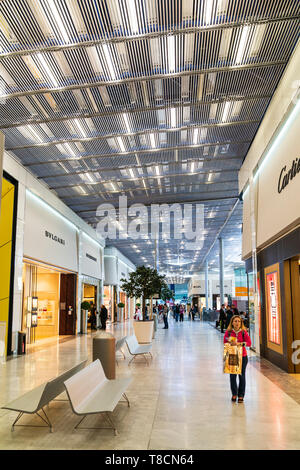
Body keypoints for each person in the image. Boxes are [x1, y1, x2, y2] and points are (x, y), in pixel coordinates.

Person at [224, 315, 251, 403]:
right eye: (235, 321)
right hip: (232, 356)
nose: (237, 323)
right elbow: (225, 342)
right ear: (232, 322)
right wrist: (231, 342)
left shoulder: (243, 332)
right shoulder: (228, 332)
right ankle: (234, 394)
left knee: (242, 376)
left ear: (241, 323)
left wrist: (240, 343)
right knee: (232, 376)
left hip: (242, 356)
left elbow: (249, 343)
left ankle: (241, 395)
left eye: (239, 321)